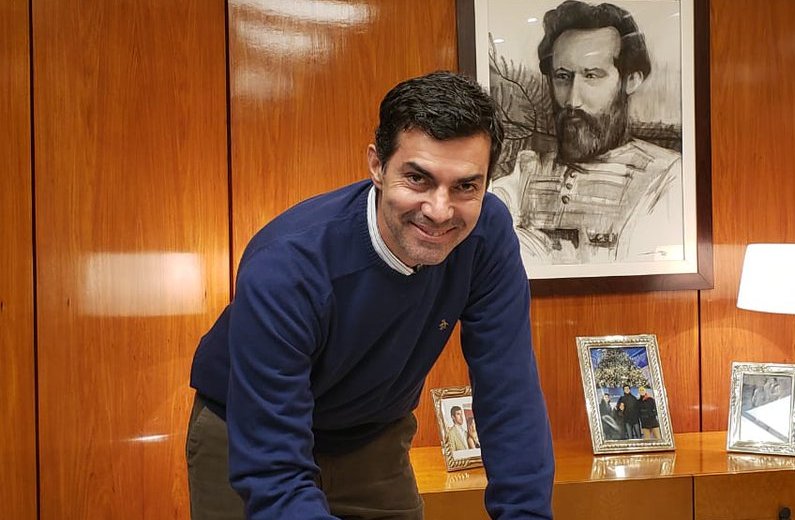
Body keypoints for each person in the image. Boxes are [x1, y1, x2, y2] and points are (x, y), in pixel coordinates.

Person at [185, 71, 554, 520]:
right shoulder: (286, 266)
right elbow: (275, 474)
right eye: (417, 178)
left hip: (372, 436)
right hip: (248, 430)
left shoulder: (486, 234)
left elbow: (509, 392)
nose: (440, 211)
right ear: (377, 166)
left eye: (465, 186)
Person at [492, 0, 684, 264]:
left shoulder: (667, 177)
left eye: (592, 76)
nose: (572, 101)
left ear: (631, 80)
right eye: (562, 76)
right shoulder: (525, 171)